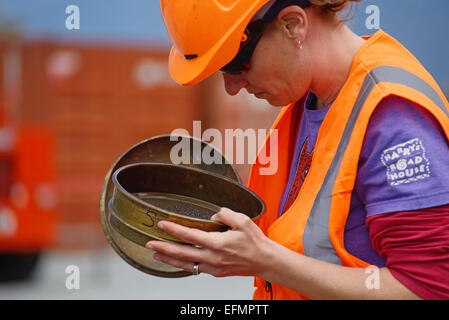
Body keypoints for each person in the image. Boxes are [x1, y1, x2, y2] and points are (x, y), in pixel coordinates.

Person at [146, 0, 449, 299]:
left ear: (293, 25)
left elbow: (426, 288)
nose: (232, 86)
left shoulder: (392, 116)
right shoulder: (311, 100)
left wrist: (266, 261)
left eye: (236, 63)